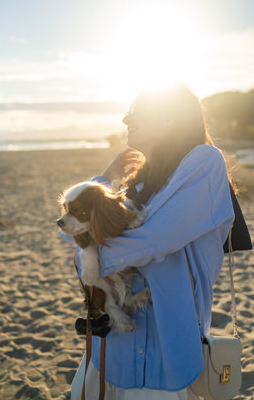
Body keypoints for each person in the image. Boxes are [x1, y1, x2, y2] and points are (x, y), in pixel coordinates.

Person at [71, 84, 235, 400]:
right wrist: (105, 177)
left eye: (136, 112)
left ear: (170, 118)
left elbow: (152, 242)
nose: (124, 119)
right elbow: (77, 230)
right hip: (115, 346)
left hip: (164, 350)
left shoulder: (204, 163)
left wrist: (91, 259)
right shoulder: (141, 182)